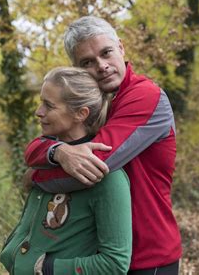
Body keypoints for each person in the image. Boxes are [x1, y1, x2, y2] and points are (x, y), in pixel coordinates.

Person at [25, 16, 181, 274]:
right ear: (76, 69)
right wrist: (58, 151)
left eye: (106, 53)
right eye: (87, 62)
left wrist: (36, 175)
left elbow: (94, 166)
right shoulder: (89, 107)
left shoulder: (145, 96)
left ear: (121, 48)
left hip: (147, 257)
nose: (102, 66)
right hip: (96, 256)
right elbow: (36, 146)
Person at [0, 67, 132, 274]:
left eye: (49, 105)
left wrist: (46, 268)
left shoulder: (108, 178)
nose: (38, 112)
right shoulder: (47, 161)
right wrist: (12, 251)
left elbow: (115, 264)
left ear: (81, 113)